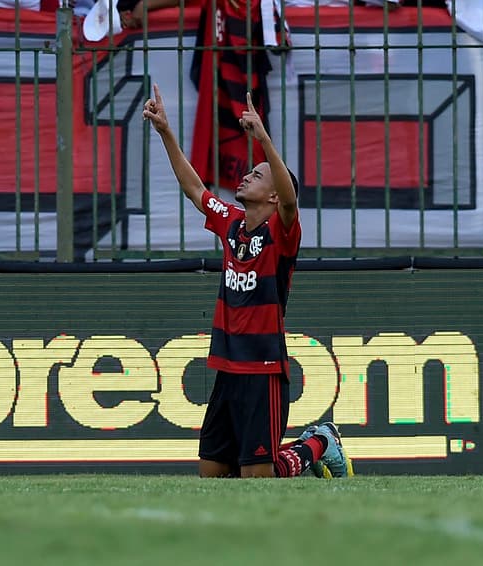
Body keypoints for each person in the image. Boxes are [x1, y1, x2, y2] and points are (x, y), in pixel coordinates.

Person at [143, 82, 353, 479]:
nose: (244, 178)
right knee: (212, 475)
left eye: (257, 176)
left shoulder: (283, 231)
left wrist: (263, 139)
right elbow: (194, 188)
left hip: (263, 369)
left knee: (258, 476)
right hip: (227, 366)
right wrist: (166, 132)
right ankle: (315, 441)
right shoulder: (231, 223)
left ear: (273, 196)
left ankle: (321, 441)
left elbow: (291, 200)